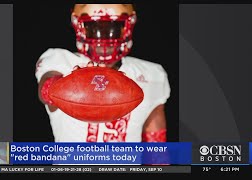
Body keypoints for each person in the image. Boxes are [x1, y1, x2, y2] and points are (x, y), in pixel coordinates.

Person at [35, 4, 170, 143]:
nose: (104, 39)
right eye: (94, 29)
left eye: (114, 28)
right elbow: (46, 91)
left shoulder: (152, 74)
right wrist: (70, 85)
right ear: (80, 28)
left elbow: (156, 146)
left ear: (127, 28)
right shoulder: (62, 61)